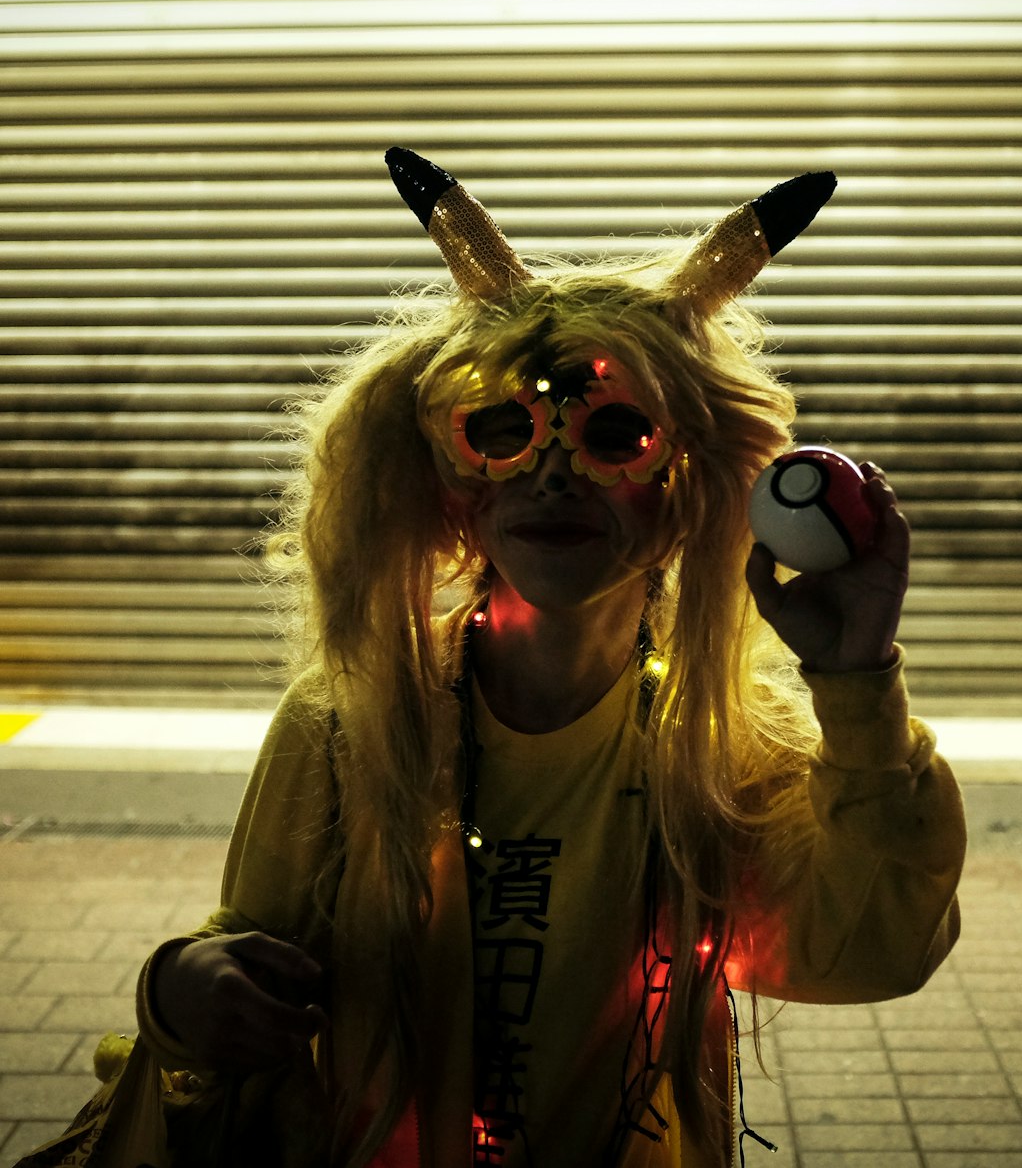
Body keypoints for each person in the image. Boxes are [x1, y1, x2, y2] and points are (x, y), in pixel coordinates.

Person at [135, 148, 966, 1168]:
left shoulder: (722, 751)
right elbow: (239, 986)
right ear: (451, 483)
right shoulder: (347, 724)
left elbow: (872, 949)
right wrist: (179, 992)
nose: (555, 478)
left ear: (687, 487)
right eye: (503, 431)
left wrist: (857, 685)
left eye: (617, 434)